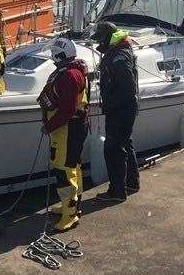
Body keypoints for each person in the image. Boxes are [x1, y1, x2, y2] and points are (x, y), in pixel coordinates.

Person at [38, 38, 89, 232]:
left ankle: (71, 214)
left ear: (59, 55)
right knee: (73, 166)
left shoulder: (69, 75)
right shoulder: (72, 71)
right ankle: (73, 205)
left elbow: (67, 110)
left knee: (64, 170)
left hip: (68, 129)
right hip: (71, 128)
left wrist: (49, 126)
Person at [92, 21, 139, 203]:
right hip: (125, 107)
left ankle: (117, 191)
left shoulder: (118, 57)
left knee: (113, 149)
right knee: (125, 143)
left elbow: (126, 85)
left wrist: (112, 104)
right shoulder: (121, 51)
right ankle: (131, 182)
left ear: (108, 38)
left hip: (120, 108)